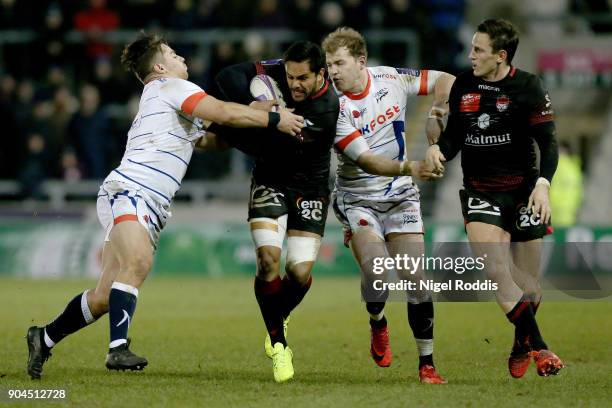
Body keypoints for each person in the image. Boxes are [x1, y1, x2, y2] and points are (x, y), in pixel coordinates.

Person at [25, 33, 305, 380]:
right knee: (139, 261)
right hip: (130, 190)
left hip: (147, 201)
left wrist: (255, 119)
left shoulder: (164, 97)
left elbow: (211, 138)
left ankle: (44, 337)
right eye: (172, 53)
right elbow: (221, 112)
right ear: (160, 67)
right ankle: (117, 350)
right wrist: (274, 120)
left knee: (102, 298)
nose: (181, 58)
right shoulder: (173, 87)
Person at [202, 40, 436, 383]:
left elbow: (269, 139)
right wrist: (258, 108)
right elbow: (228, 76)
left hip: (310, 188)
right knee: (268, 259)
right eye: (290, 76)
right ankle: (279, 344)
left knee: (298, 272)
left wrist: (246, 123)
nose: (294, 84)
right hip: (269, 178)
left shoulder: (329, 108)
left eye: (302, 79)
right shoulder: (280, 73)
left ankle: (277, 316)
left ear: (319, 75)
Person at [425, 18, 564, 378]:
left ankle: (522, 342)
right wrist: (438, 150)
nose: (470, 55)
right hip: (480, 191)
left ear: (500, 56)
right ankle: (541, 348)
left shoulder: (529, 87)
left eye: (478, 50)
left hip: (523, 190)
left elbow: (548, 141)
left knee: (530, 286)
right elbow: (454, 136)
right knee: (496, 270)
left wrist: (543, 185)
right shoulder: (464, 85)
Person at [322, 27, 454, 384]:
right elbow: (366, 161)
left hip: (400, 195)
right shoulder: (332, 105)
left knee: (416, 279)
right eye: (328, 64)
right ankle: (377, 321)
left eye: (338, 63)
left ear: (361, 61)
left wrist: (436, 113)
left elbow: (446, 78)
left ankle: (427, 365)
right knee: (378, 275)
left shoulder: (391, 78)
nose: (332, 71)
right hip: (358, 197)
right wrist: (412, 166)